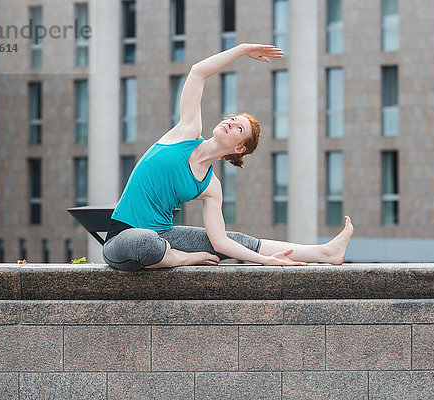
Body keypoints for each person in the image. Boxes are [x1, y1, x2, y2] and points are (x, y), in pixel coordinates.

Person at [102, 43, 354, 271]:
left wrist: (265, 260)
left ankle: (325, 252)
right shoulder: (186, 133)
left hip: (164, 236)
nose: (230, 124)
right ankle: (180, 258)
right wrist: (242, 50)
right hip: (123, 238)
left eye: (238, 128)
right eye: (232, 119)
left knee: (234, 239)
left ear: (240, 149)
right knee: (145, 241)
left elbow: (220, 242)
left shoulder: (211, 186)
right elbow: (197, 73)